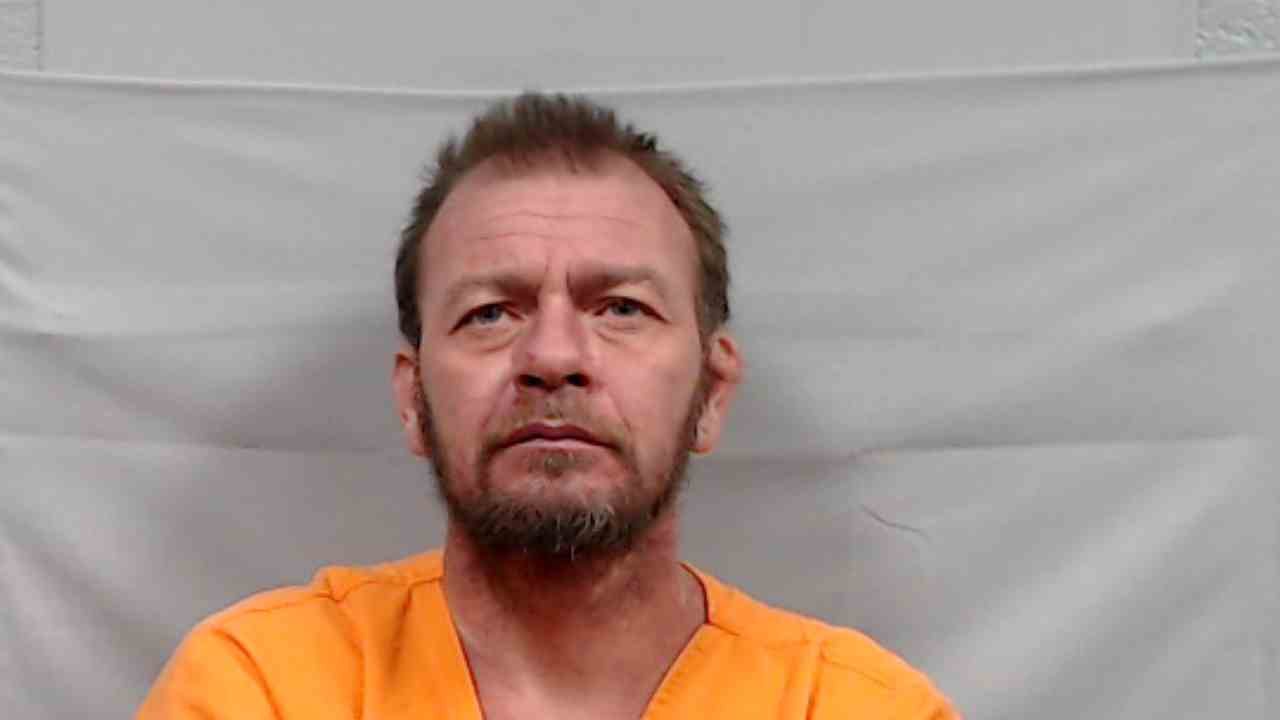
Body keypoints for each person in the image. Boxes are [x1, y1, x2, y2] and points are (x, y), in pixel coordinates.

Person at [138, 93, 959, 719]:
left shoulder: (853, 706)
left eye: (622, 309)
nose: (553, 357)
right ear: (413, 398)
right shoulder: (263, 687)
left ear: (711, 393)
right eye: (490, 313)